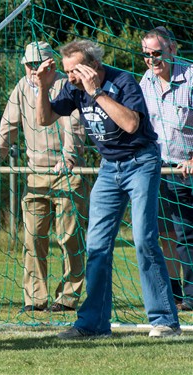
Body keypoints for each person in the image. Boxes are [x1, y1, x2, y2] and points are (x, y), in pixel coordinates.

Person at [35, 39, 181, 338]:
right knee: (98, 246)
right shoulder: (72, 87)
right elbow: (44, 118)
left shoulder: (123, 81)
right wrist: (43, 86)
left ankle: (165, 320)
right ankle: (93, 324)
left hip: (141, 162)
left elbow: (130, 125)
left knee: (144, 239)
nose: (70, 77)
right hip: (109, 168)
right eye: (65, 72)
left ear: (94, 66)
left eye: (74, 71)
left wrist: (96, 93)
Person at [0, 41, 87, 313]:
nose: (33, 70)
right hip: (35, 174)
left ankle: (68, 298)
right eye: (28, 65)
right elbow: (8, 126)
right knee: (33, 239)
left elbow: (73, 125)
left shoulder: (67, 85)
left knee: (69, 239)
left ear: (50, 64)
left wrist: (69, 156)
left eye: (38, 65)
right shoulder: (21, 88)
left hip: (68, 174)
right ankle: (35, 299)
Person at [140, 26, 193, 310]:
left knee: (187, 233)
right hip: (157, 169)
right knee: (165, 233)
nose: (152, 60)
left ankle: (192, 293)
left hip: (188, 169)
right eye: (146, 55)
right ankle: (174, 293)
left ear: (173, 49)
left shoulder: (191, 77)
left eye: (157, 53)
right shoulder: (146, 80)